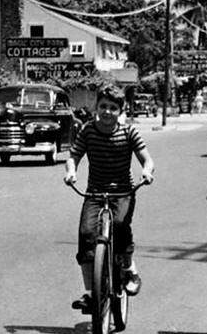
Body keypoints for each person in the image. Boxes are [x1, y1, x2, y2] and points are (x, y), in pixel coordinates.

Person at [64, 85, 155, 313]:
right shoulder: (88, 131)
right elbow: (73, 156)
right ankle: (91, 293)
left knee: (120, 225)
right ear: (96, 107)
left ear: (120, 111)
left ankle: (129, 268)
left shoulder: (129, 132)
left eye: (113, 108)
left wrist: (147, 171)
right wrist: (71, 171)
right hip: (94, 193)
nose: (107, 112)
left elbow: (147, 159)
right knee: (86, 235)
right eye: (103, 106)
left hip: (123, 192)